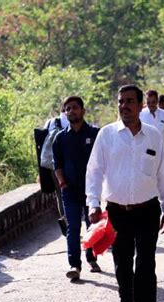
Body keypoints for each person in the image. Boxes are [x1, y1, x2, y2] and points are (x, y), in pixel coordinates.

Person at [86, 85, 164, 302]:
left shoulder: (154, 135)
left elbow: (163, 174)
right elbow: (94, 171)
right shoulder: (106, 135)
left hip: (148, 211)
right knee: (122, 263)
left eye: (129, 101)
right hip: (117, 212)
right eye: (120, 101)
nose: (124, 105)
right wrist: (93, 203)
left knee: (146, 264)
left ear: (140, 105)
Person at [52, 96, 101, 280]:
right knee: (72, 228)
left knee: (92, 226)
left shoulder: (95, 134)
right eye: (68, 109)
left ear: (83, 110)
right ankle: (75, 265)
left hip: (91, 190)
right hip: (70, 190)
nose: (71, 111)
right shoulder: (60, 138)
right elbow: (57, 164)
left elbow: (103, 161)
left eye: (75, 108)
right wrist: (63, 183)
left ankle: (91, 258)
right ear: (65, 113)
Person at [140, 90, 164, 174]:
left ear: (157, 101)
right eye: (148, 102)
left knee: (163, 178)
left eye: (153, 102)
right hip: (146, 153)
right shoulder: (141, 115)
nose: (151, 105)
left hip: (163, 153)